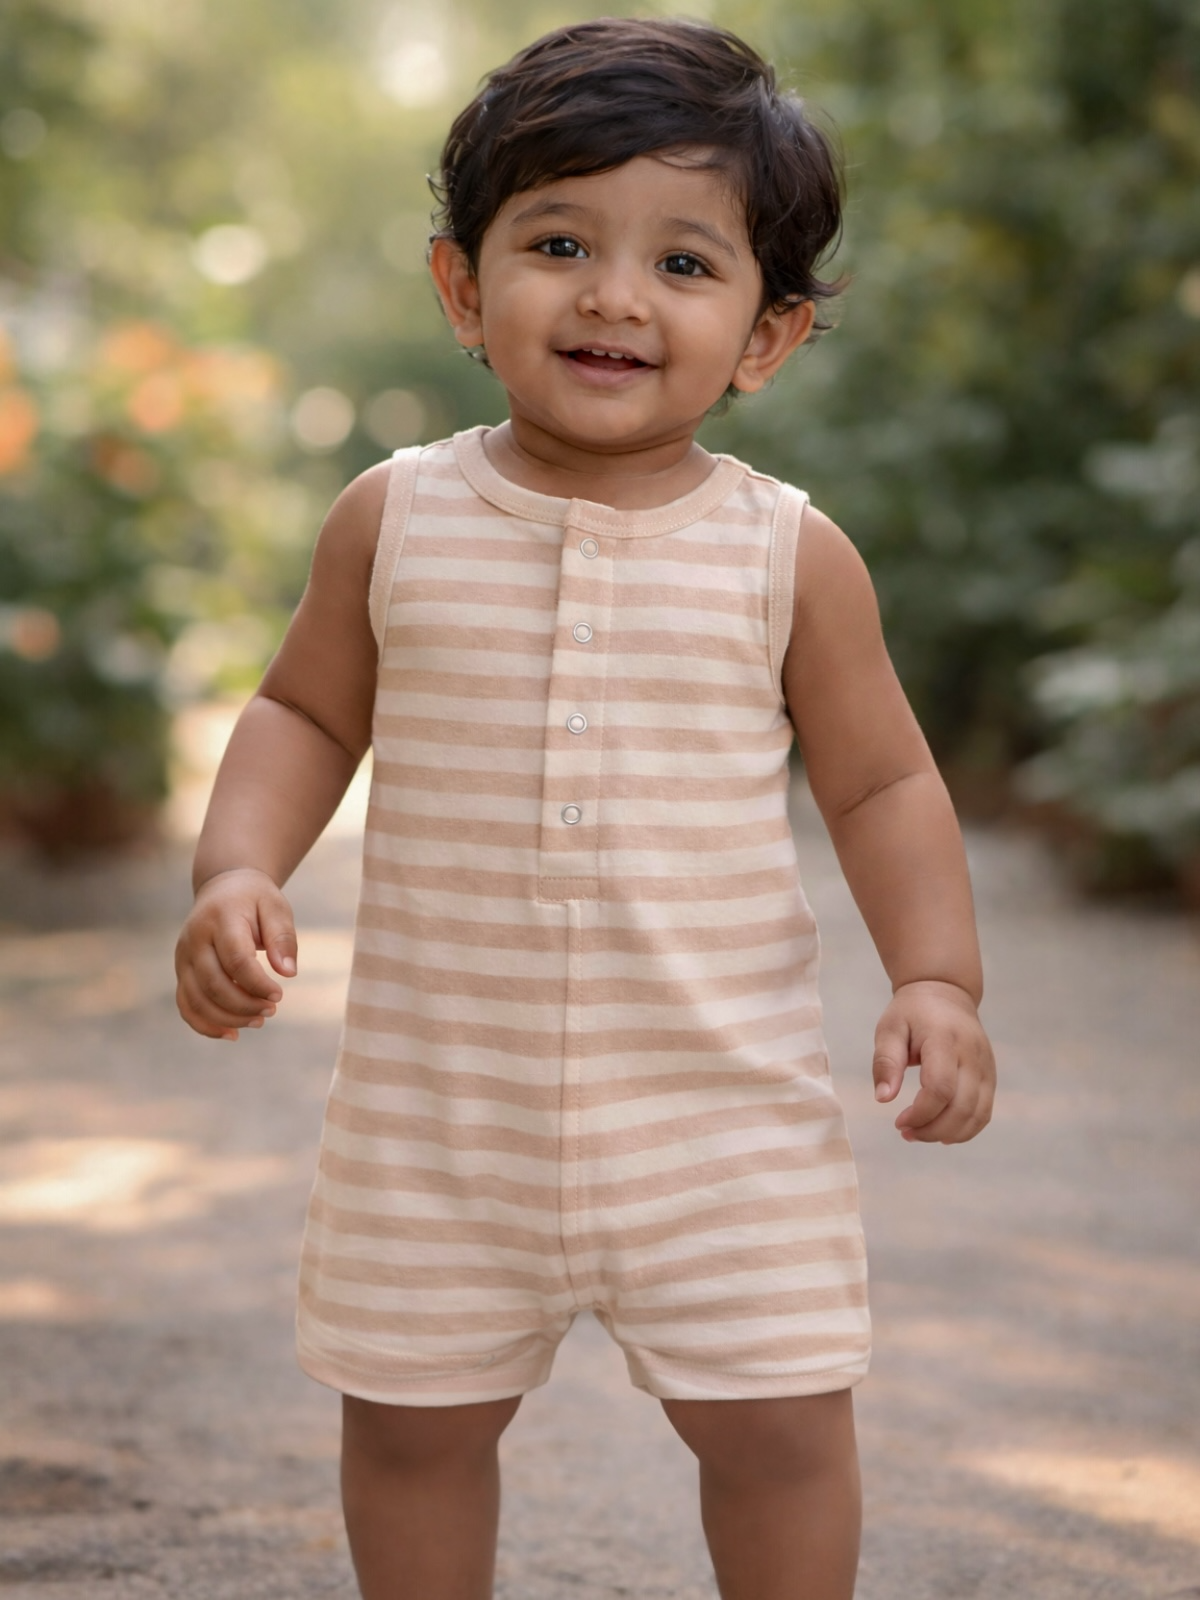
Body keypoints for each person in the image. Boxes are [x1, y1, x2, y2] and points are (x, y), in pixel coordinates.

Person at [174, 17, 996, 1599]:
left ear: (769, 336)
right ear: (464, 288)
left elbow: (884, 779)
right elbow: (300, 708)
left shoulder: (787, 555)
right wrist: (234, 870)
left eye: (687, 265)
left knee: (780, 1432)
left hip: (718, 1114)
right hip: (440, 1110)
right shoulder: (396, 517)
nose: (616, 295)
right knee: (411, 1428)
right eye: (560, 242)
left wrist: (938, 976)